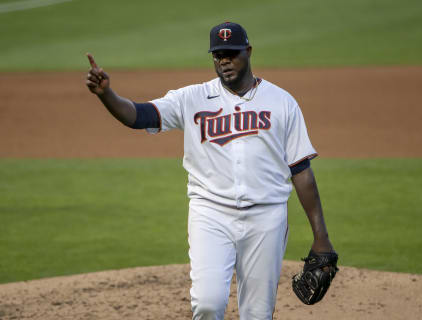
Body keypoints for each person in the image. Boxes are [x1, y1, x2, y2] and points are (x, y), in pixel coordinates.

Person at [85, 22, 335, 320]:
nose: (224, 61)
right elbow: (139, 115)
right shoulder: (191, 98)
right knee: (208, 304)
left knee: (257, 313)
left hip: (267, 217)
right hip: (210, 215)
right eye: (217, 55)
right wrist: (106, 95)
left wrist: (321, 236)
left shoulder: (282, 102)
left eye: (231, 53)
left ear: (249, 52)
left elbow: (301, 170)